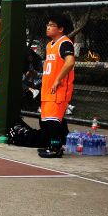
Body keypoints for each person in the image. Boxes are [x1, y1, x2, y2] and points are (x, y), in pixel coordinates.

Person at [37, 13, 76, 158]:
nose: (48, 27)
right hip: (47, 89)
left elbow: (70, 62)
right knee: (45, 121)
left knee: (53, 121)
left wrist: (58, 79)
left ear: (60, 29)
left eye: (52, 25)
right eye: (47, 25)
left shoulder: (65, 43)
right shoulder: (49, 45)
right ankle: (56, 144)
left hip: (59, 90)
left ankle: (56, 148)